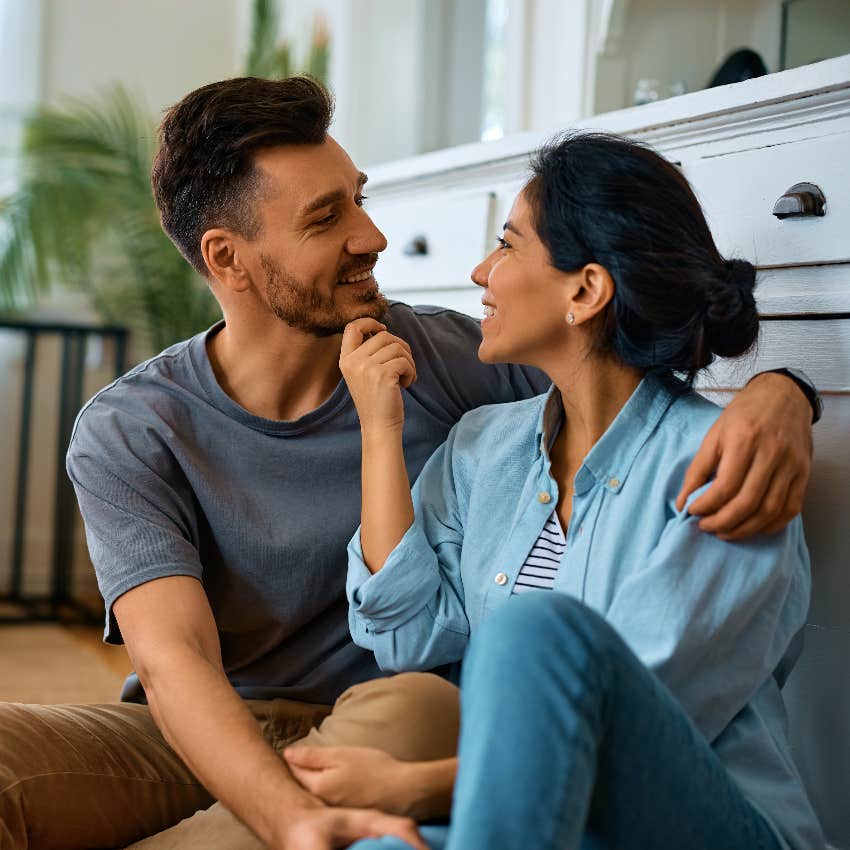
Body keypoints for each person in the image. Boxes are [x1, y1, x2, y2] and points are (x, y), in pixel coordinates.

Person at [0, 78, 819, 850]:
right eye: (327, 217)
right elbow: (175, 665)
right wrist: (284, 813)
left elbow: (624, 360)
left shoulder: (456, 359)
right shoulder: (133, 426)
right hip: (204, 727)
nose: (373, 235)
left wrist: (783, 391)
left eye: (361, 197)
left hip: (392, 717)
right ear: (227, 258)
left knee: (460, 684)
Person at [289, 132, 825, 850]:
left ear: (586, 290)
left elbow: (619, 723)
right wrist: (380, 426)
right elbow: (407, 635)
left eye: (508, 246)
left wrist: (413, 785)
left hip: (700, 825)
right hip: (553, 825)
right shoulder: (484, 448)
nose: (482, 270)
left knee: (530, 628)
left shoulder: (725, 460)